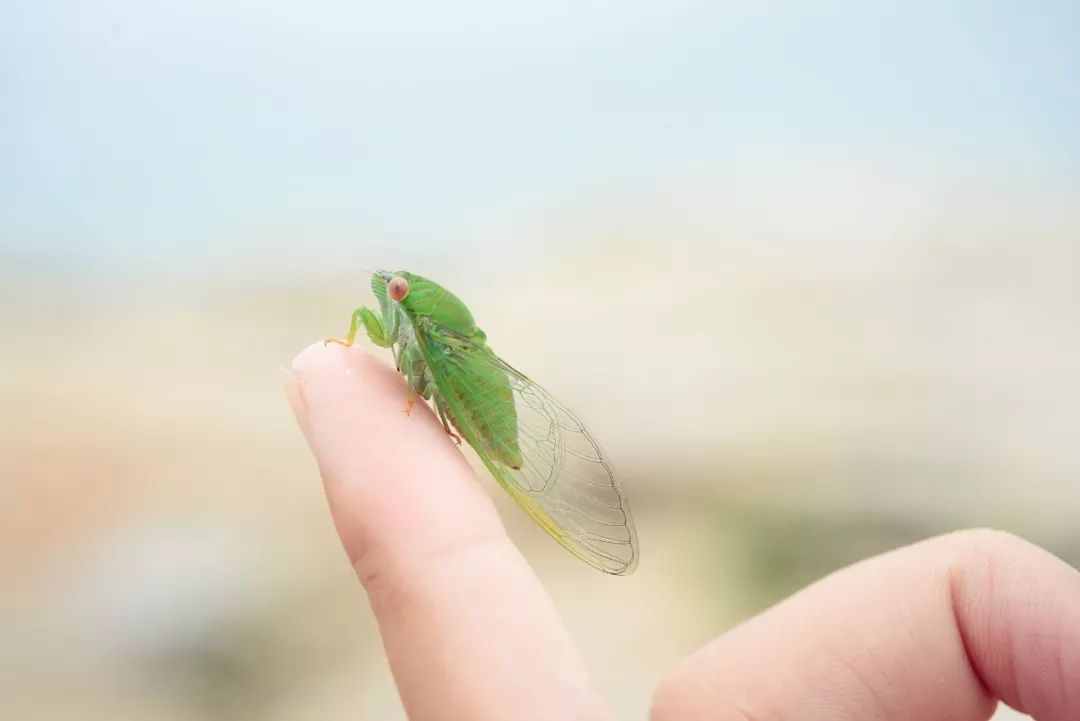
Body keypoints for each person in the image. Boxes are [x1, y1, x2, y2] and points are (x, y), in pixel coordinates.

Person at [284, 342, 1079, 721]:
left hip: (478, 394)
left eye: (393, 294)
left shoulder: (425, 326)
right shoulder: (401, 320)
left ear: (408, 303)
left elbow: (421, 372)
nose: (384, 303)